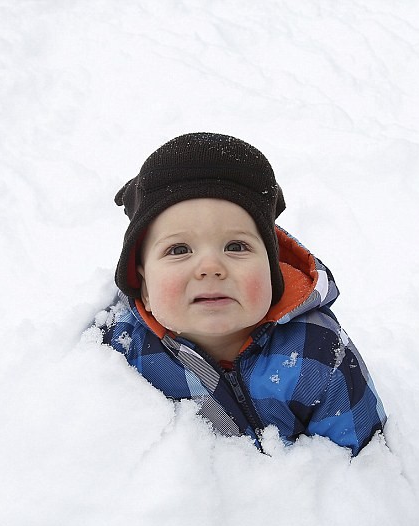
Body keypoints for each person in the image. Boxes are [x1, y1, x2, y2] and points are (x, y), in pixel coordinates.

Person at [92, 132, 385, 455]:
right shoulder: (121, 349)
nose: (210, 267)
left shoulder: (318, 354)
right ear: (144, 286)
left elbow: (363, 465)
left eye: (236, 246)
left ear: (272, 270)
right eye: (179, 249)